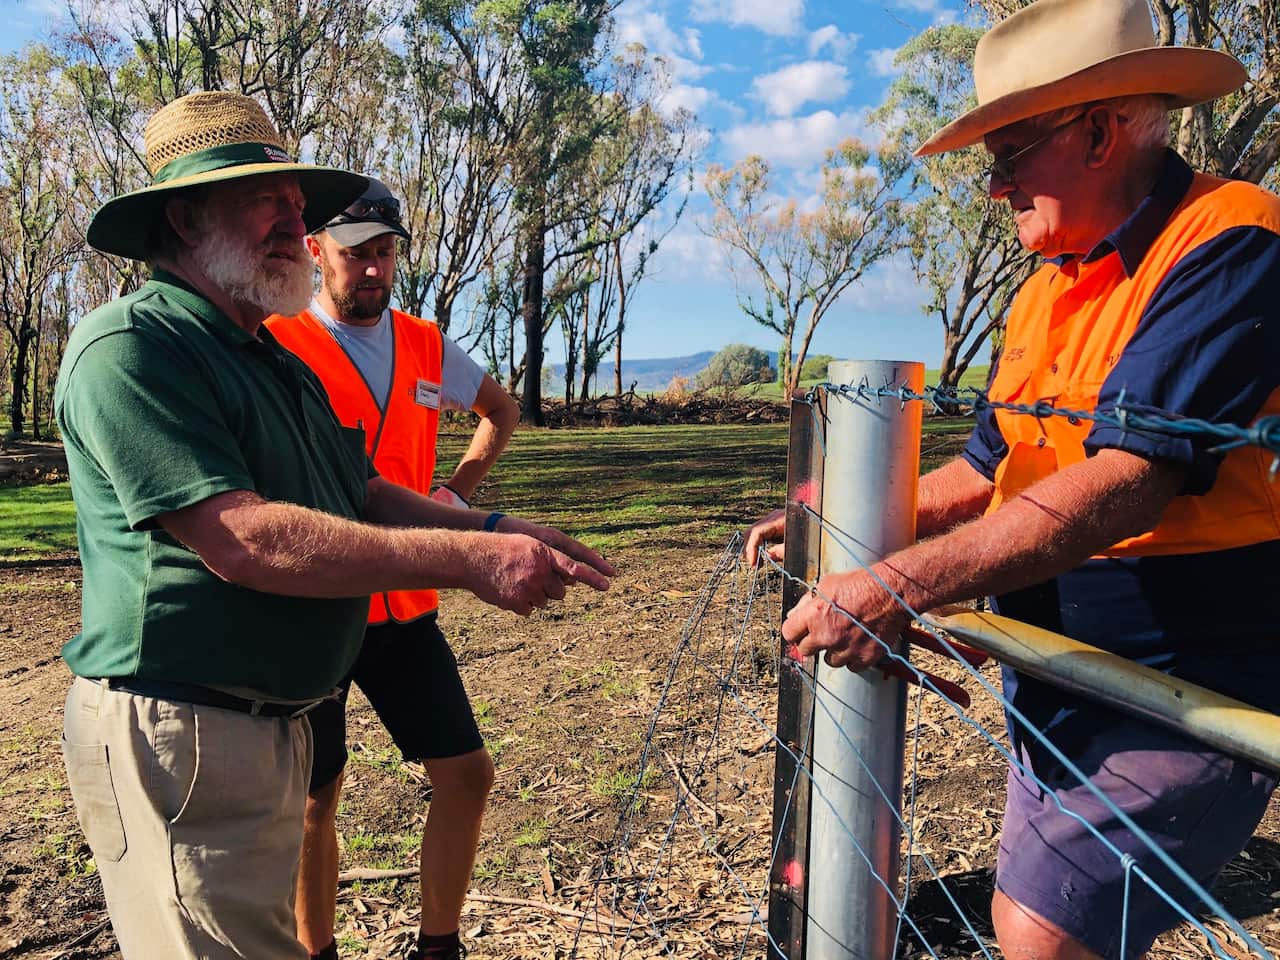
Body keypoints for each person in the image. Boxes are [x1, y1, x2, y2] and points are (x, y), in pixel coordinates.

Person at [746, 0, 1280, 957]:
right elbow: (984, 468)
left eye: (1009, 156)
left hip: (1189, 681)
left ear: (1099, 134)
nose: (994, 188)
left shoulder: (1230, 238)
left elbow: (1132, 479)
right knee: (1034, 919)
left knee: (1045, 932)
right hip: (1050, 674)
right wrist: (839, 526)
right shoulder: (1041, 293)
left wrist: (897, 584)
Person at [54, 91, 613, 960]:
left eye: (296, 203)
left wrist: (497, 525)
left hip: (264, 728)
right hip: (185, 735)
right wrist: (467, 559)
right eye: (264, 200)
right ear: (185, 217)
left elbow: (363, 491)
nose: (294, 221)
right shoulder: (132, 348)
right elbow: (242, 538)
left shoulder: (270, 358)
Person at [264, 178, 519, 960]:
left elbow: (500, 411)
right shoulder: (276, 341)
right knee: (316, 799)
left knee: (467, 775)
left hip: (405, 604)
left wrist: (456, 493)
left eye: (385, 252)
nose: (373, 268)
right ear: (316, 252)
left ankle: (438, 948)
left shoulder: (425, 343)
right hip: (313, 607)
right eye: (356, 254)